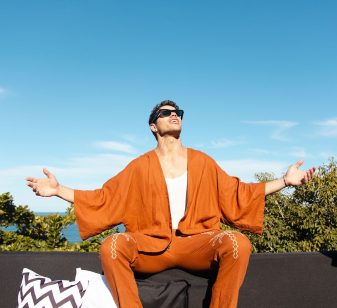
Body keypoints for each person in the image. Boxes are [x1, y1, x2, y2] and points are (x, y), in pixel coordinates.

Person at [26, 100, 315, 308]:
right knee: (110, 246)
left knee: (237, 242)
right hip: (150, 245)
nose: (174, 115)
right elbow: (104, 199)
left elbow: (238, 192)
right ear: (154, 125)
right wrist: (58, 189)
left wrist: (285, 182)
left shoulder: (202, 161)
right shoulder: (139, 167)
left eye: (178, 112)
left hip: (197, 242)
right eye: (166, 112)